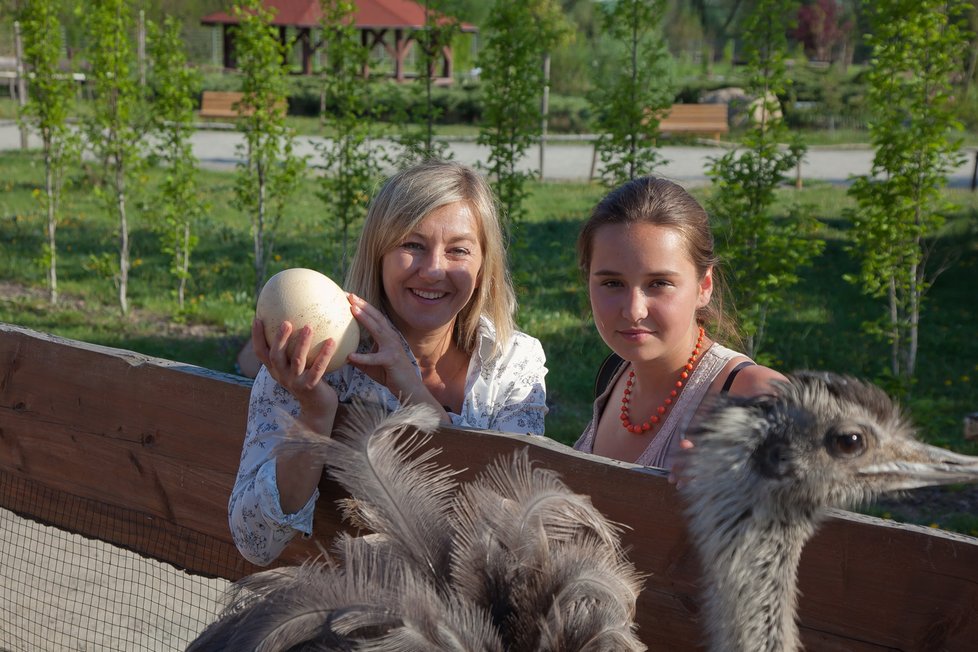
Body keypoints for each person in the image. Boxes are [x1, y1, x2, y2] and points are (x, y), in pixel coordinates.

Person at [230, 160, 549, 566]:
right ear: (378, 253)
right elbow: (255, 542)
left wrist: (411, 393)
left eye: (458, 250)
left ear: (484, 263)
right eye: (412, 245)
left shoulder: (512, 363)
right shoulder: (316, 358)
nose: (434, 269)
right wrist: (314, 414)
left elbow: (513, 539)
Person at [573, 176, 785, 471]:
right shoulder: (614, 373)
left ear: (704, 286)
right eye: (612, 283)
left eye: (659, 283)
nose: (634, 311)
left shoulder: (756, 396)